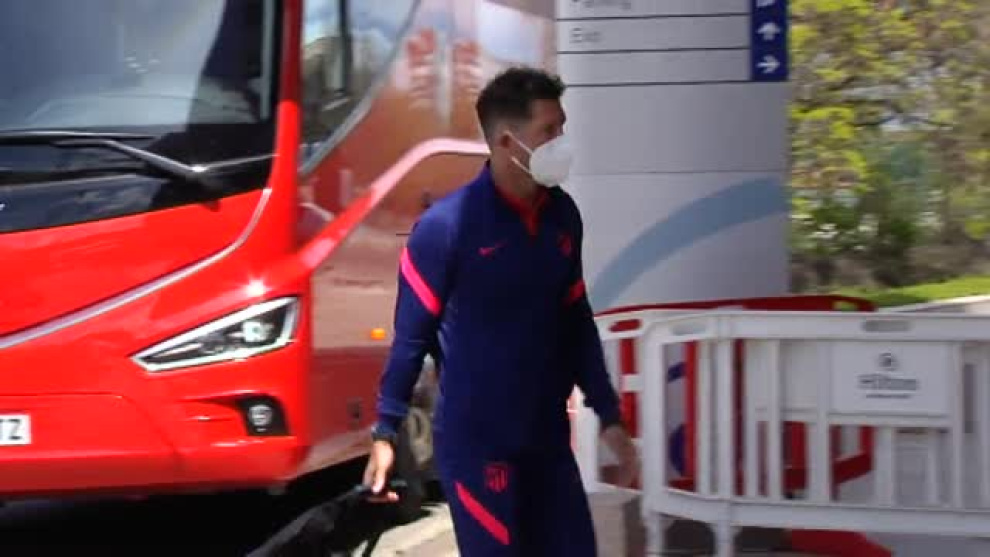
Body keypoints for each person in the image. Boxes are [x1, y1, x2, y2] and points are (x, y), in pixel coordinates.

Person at [363, 66, 640, 556]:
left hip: (546, 442)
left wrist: (609, 415)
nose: (562, 142)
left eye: (562, 128)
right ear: (509, 142)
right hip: (477, 447)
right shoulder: (446, 228)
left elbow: (575, 322)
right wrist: (385, 433)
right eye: (549, 131)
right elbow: (410, 340)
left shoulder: (563, 217)